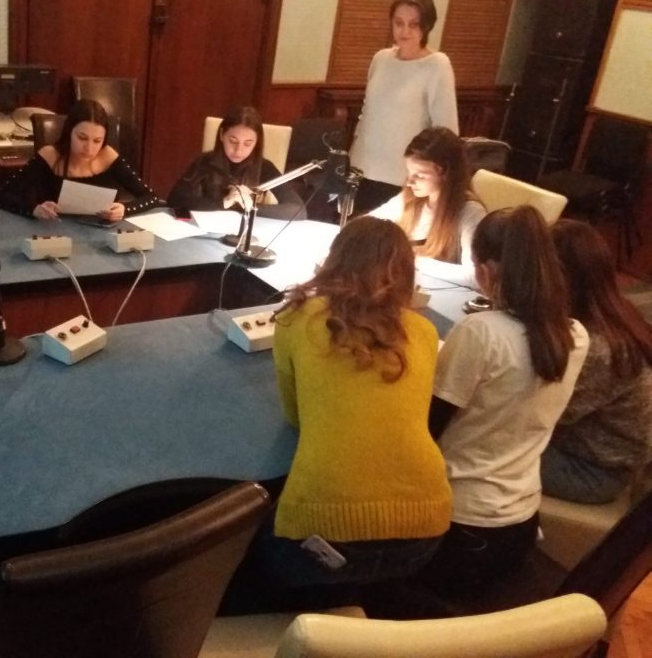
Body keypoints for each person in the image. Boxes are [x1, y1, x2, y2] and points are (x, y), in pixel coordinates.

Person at [261, 216, 451, 599]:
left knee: (256, 565)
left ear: (336, 259)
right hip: (426, 528)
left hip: (326, 529)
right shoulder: (425, 331)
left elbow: (295, 418)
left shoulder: (297, 317)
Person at [425, 206, 589, 594]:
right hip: (519, 523)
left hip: (458, 526)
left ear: (486, 271)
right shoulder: (575, 335)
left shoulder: (481, 332)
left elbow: (426, 430)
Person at [542, 220, 652, 504]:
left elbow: (544, 413)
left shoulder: (599, 347)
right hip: (583, 449)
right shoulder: (612, 310)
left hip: (592, 470)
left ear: (562, 279)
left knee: (469, 446)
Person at [349, 0, 459, 214]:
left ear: (426, 26)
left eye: (414, 24)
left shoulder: (437, 65)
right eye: (398, 23)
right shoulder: (381, 59)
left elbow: (446, 132)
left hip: (404, 178)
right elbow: (367, 114)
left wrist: (432, 180)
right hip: (361, 170)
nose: (405, 31)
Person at [0, 98, 162, 222]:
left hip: (101, 237)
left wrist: (124, 209)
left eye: (97, 141)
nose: (89, 148)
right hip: (53, 233)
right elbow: (1, 196)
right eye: (82, 138)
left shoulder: (108, 156)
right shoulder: (50, 156)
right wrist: (34, 209)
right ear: (69, 132)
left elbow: (151, 197)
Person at [370, 127, 484, 287]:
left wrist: (412, 260)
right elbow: (372, 222)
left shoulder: (470, 212)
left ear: (445, 172)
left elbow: (476, 277)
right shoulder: (412, 198)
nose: (410, 182)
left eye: (420, 175)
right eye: (409, 172)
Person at [167, 105, 306, 220]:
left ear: (256, 142)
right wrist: (224, 202)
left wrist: (248, 206)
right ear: (221, 135)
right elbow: (175, 199)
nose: (238, 150)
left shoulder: (264, 167)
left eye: (248, 144)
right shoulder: (204, 161)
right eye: (233, 141)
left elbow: (298, 210)